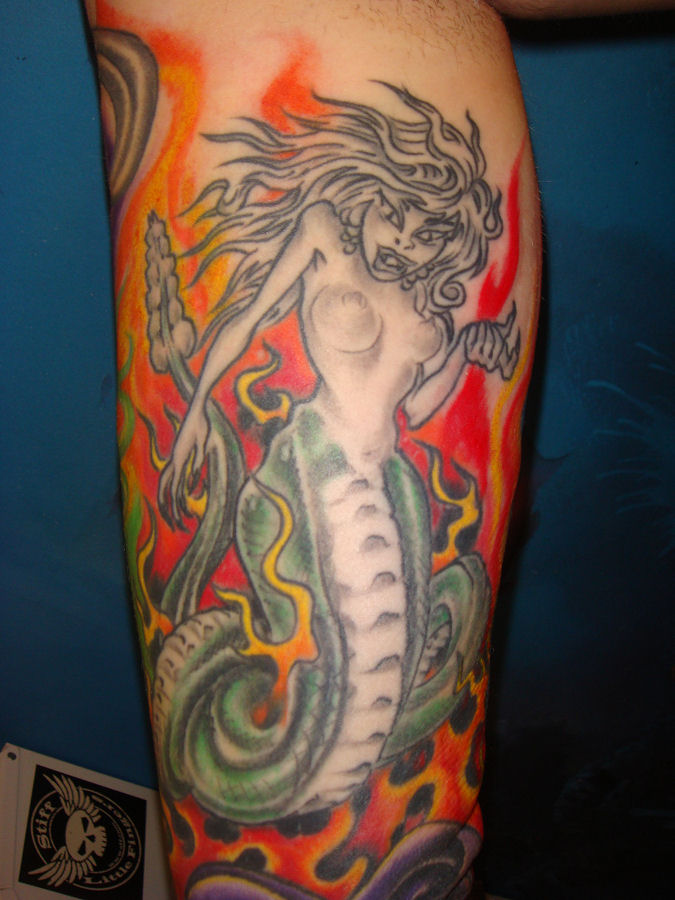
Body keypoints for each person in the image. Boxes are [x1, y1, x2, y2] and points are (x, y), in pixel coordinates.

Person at [83, 1, 671, 897]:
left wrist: (464, 351)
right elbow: (244, 320)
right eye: (410, 222)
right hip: (315, 469)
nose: (413, 244)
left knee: (394, 685)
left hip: (387, 482)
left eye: (431, 236)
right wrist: (199, 406)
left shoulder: (423, 303)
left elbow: (418, 405)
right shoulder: (323, 233)